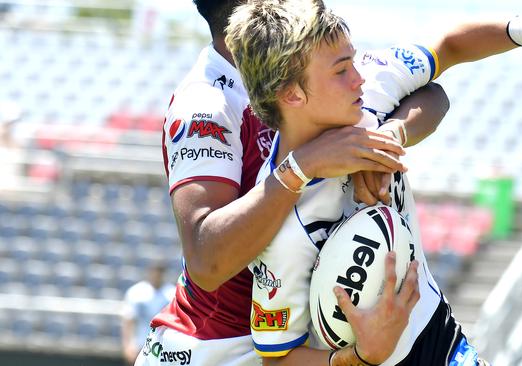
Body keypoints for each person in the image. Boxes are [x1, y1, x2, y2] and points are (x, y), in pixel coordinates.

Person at [225, 0, 522, 365]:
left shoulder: (364, 94)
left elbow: (447, 52)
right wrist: (360, 357)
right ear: (292, 94)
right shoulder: (281, 229)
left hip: (444, 339)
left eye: (353, 62)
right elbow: (279, 357)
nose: (359, 79)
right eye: (342, 71)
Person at [137, 1, 450, 365]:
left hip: (296, 339)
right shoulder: (207, 104)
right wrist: (301, 167)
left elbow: (432, 93)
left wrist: (382, 141)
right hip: (221, 349)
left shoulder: (316, 60)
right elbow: (207, 262)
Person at [122, 260, 175, 365]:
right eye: (154, 271)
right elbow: (128, 320)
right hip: (140, 345)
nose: (156, 275)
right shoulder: (136, 292)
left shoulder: (172, 294)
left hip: (163, 346)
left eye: (160, 272)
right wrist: (127, 345)